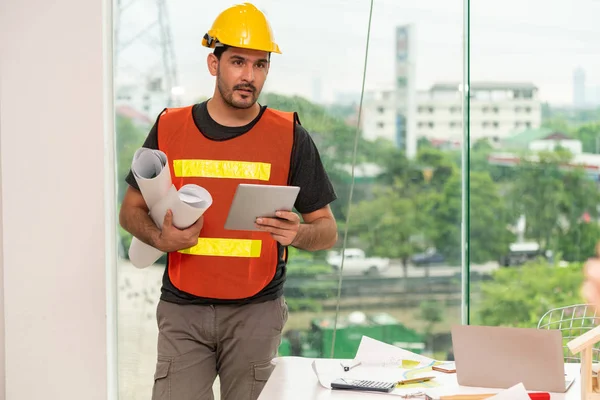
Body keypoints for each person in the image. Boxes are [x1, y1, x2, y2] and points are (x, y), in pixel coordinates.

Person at [118, 3, 338, 400]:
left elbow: (327, 231)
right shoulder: (170, 126)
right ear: (213, 63)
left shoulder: (290, 136)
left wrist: (298, 233)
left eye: (259, 65)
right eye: (238, 61)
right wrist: (160, 238)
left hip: (257, 312)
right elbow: (130, 211)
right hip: (183, 310)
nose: (249, 76)